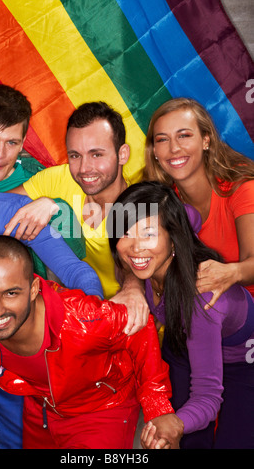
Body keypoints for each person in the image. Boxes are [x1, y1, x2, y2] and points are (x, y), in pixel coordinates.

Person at [0, 235, 184, 449]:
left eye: (11, 293)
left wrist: (158, 407)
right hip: (41, 410)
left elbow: (140, 330)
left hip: (100, 410)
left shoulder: (82, 319)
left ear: (34, 289)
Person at [0, 136, 103, 449]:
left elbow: (76, 272)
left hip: (10, 346)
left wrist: (91, 323)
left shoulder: (18, 213)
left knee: (19, 440)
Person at [108, 181, 254, 449]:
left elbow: (207, 396)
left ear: (174, 237)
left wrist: (176, 423)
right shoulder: (165, 232)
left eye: (148, 234)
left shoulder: (201, 301)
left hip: (243, 365)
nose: (135, 248)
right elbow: (190, 217)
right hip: (182, 345)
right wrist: (131, 286)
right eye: (125, 233)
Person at [5, 101, 149, 334]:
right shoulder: (57, 180)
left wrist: (133, 289)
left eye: (96, 154)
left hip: (120, 323)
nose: (84, 168)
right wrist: (47, 204)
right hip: (60, 314)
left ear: (122, 154)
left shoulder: (138, 204)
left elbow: (134, 263)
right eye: (75, 155)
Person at [144, 97, 254, 308]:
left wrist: (231, 272)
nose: (174, 148)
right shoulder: (160, 200)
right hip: (201, 310)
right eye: (162, 139)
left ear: (206, 140)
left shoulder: (242, 187)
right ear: (155, 152)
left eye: (184, 135)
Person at [0, 83, 86, 270]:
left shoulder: (37, 184)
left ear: (22, 144)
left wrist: (55, 209)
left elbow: (69, 273)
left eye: (11, 142)